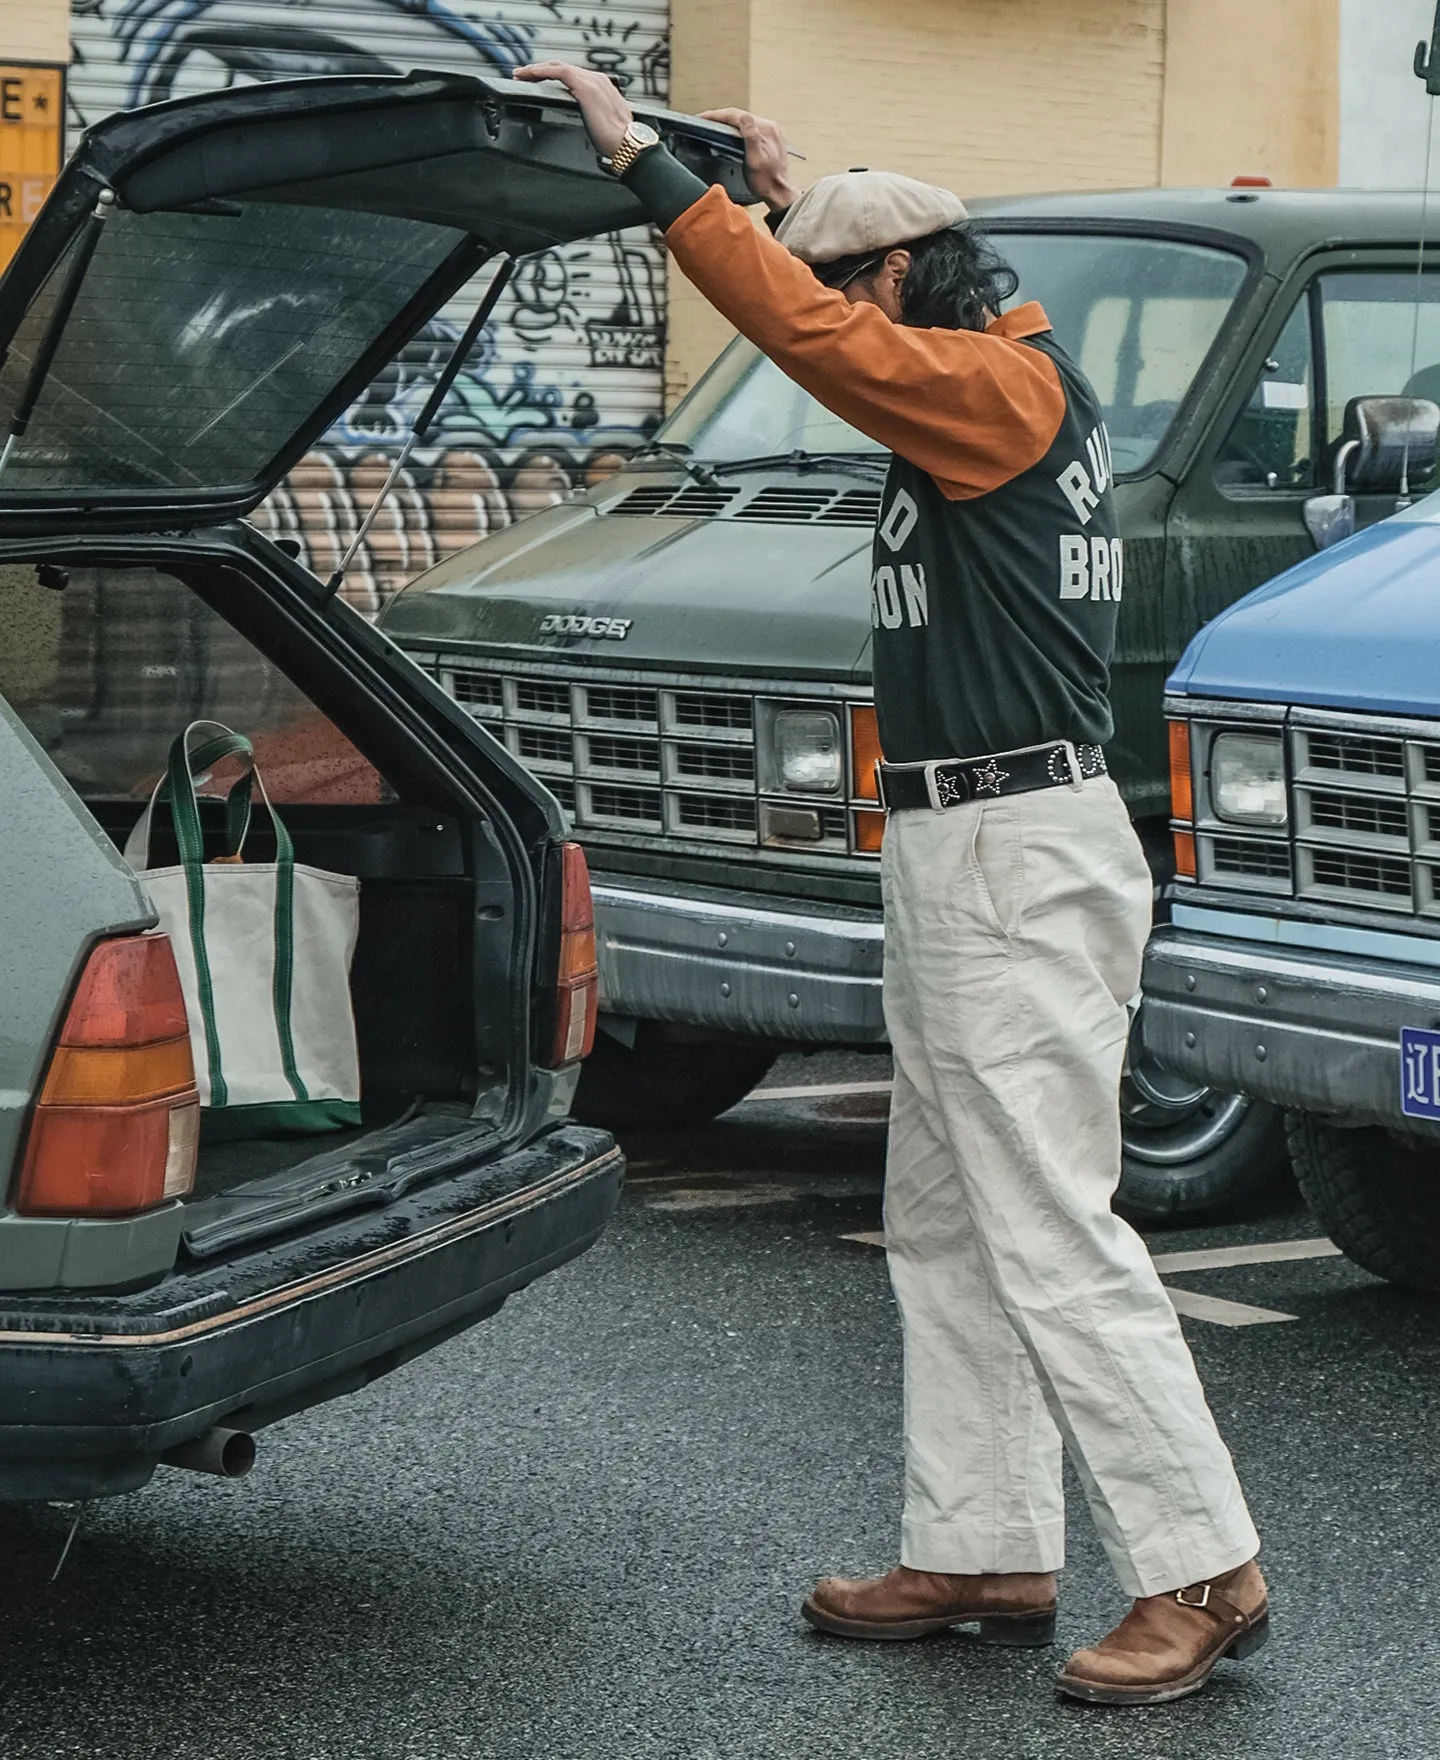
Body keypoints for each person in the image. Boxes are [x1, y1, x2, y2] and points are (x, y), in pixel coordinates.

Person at [514, 60, 1268, 1708]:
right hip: (960, 846)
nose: (834, 318)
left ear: (908, 282)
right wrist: (788, 205)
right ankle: (984, 1538)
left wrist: (653, 173)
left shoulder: (994, 396)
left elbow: (816, 336)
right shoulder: (991, 376)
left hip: (1010, 850)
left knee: (1054, 1230)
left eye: (851, 281)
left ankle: (1203, 1564)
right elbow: (835, 317)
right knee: (943, 1217)